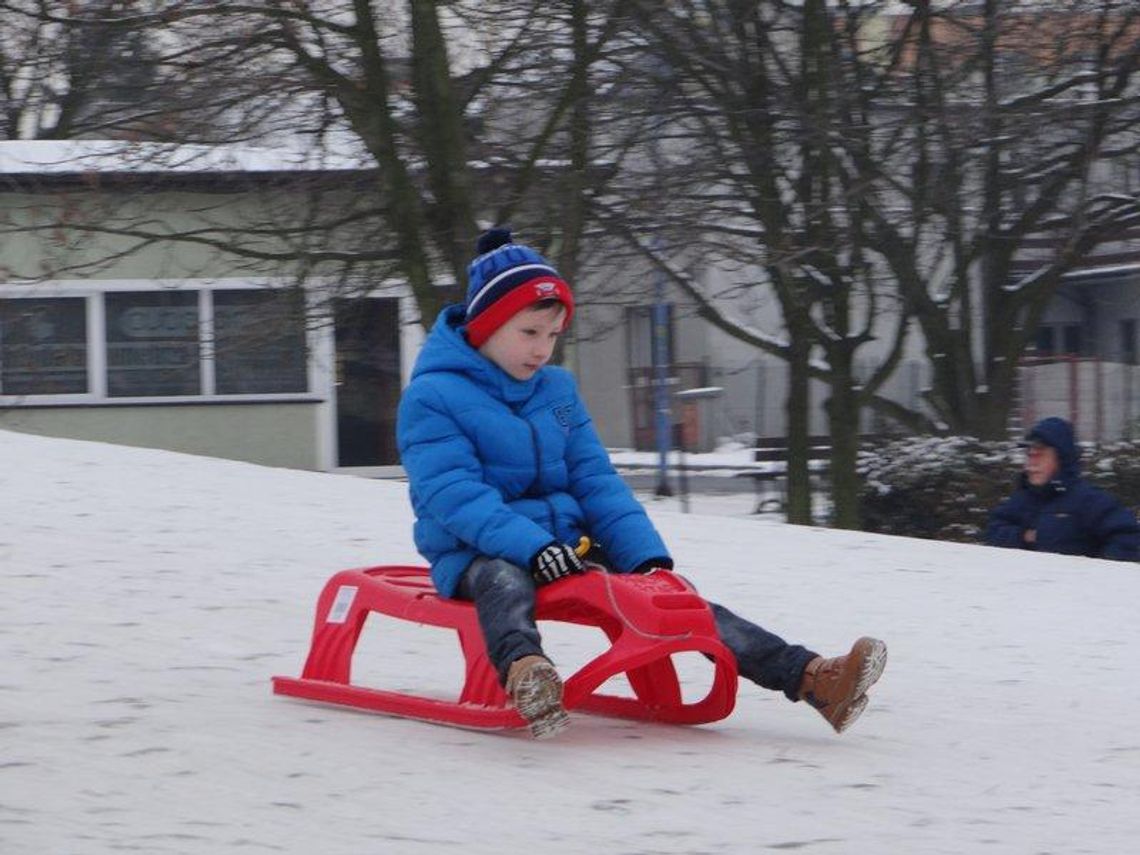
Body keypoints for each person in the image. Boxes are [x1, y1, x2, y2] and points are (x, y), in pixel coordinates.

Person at [396, 227, 887, 739]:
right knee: (504, 579)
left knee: (675, 600)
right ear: (486, 324)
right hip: (475, 551)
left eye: (553, 335)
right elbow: (454, 496)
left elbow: (595, 479)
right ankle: (527, 674)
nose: (543, 349)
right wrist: (533, 548)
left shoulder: (556, 390)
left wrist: (644, 559)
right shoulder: (432, 397)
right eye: (529, 333)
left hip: (568, 549)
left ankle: (812, 679)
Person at [986, 416, 1140, 561]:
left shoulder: (1090, 501)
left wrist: (1096, 574)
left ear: (1061, 459)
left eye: (1040, 455)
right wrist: (1025, 536)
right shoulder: (1022, 499)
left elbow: (1128, 539)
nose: (1031, 464)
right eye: (1029, 455)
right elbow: (993, 532)